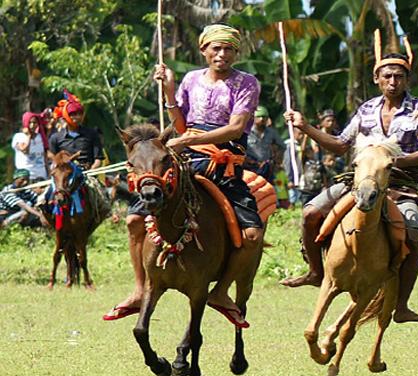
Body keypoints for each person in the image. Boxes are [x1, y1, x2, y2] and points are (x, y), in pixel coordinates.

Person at [105, 24, 263, 328]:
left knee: (253, 235)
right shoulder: (191, 79)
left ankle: (220, 291)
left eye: (228, 48)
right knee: (134, 220)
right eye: (215, 48)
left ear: (235, 53)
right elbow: (179, 123)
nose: (222, 54)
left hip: (223, 161)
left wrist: (190, 140)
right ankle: (139, 289)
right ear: (204, 51)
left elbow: (235, 128)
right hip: (187, 159)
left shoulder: (247, 83)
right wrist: (168, 88)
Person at [280, 35, 418, 323]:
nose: (393, 81)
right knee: (310, 213)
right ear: (377, 78)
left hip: (400, 186)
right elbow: (341, 144)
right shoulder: (366, 109)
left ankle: (401, 305)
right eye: (387, 76)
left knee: (414, 235)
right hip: (359, 181)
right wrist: (306, 127)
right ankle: (316, 271)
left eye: (399, 76)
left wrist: (386, 161)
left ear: (407, 79)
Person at [47, 91, 104, 170]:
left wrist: (91, 171)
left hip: (88, 174)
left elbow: (98, 159)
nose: (77, 117)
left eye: (80, 114)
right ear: (65, 116)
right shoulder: (55, 138)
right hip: (65, 176)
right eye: (73, 114)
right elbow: (52, 160)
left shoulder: (92, 134)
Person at [245, 105, 285, 181]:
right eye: (259, 116)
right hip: (250, 167)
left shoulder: (271, 132)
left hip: (267, 167)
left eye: (264, 117)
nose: (262, 119)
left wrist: (276, 161)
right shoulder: (246, 131)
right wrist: (247, 160)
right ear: (253, 117)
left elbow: (282, 146)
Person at [13, 113, 48, 181]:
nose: (32, 125)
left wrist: (48, 172)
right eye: (29, 123)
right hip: (26, 176)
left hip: (41, 175)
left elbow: (44, 156)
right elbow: (24, 150)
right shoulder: (19, 137)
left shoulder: (40, 137)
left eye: (34, 122)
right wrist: (28, 136)